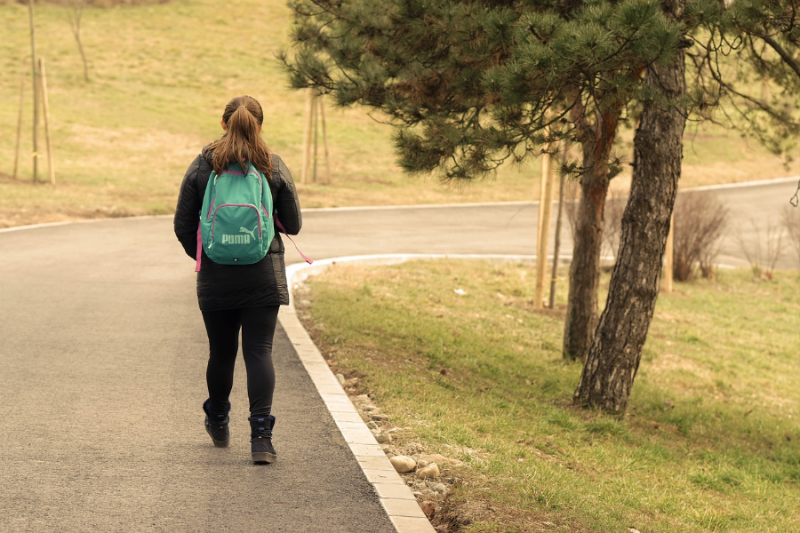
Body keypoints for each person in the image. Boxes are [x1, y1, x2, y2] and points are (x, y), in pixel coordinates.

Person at [173, 95, 303, 464]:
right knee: (259, 351)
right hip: (263, 273)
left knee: (222, 351)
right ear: (259, 126)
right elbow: (293, 225)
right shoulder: (272, 166)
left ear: (223, 124)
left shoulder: (204, 165)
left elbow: (183, 224)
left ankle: (217, 418)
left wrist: (208, 255)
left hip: (217, 276)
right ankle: (261, 438)